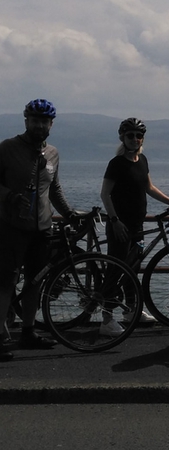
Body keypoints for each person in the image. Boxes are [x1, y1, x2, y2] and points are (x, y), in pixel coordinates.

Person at [0, 99, 75, 361]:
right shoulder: (8, 148)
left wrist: (69, 213)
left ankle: (28, 332)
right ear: (26, 121)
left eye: (45, 121)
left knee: (35, 281)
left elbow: (54, 189)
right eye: (35, 120)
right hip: (11, 226)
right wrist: (9, 196)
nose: (40, 125)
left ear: (51, 124)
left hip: (42, 227)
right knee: (6, 282)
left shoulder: (52, 153)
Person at [100, 118, 169, 336]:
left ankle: (130, 310)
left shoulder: (142, 160)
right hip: (120, 226)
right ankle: (106, 319)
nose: (135, 139)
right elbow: (105, 194)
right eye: (130, 135)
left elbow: (149, 187)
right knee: (116, 268)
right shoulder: (116, 163)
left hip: (137, 224)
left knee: (133, 268)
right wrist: (114, 220)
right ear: (122, 137)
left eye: (138, 136)